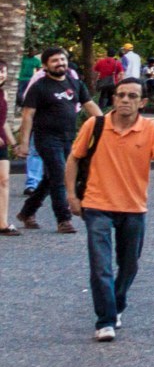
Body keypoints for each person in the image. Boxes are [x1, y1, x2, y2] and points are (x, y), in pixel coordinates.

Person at [64, 74, 154, 340]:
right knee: (100, 265)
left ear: (142, 102)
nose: (125, 100)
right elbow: (73, 160)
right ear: (114, 98)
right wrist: (71, 196)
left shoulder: (151, 130)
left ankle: (117, 303)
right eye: (121, 95)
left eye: (132, 96)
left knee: (129, 265)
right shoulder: (96, 125)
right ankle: (105, 320)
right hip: (96, 204)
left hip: (133, 207)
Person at [13, 48, 93, 235]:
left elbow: (90, 106)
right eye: (55, 60)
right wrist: (24, 143)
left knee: (50, 178)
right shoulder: (39, 87)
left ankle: (27, 212)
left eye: (63, 60)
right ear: (45, 65)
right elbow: (27, 115)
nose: (60, 63)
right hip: (46, 138)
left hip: (69, 138)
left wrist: (107, 125)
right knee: (60, 175)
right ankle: (63, 219)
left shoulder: (75, 83)